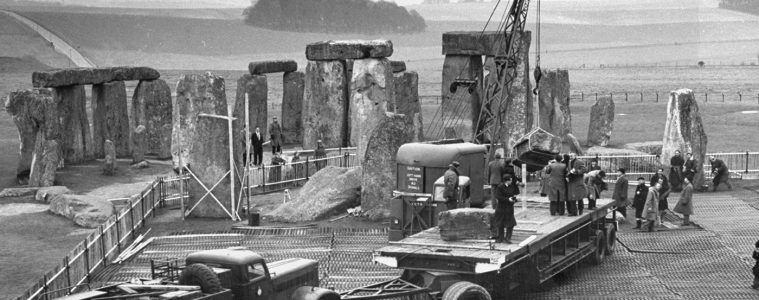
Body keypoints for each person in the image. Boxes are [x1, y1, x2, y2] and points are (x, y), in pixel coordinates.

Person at [493, 173, 519, 243]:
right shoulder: (500, 187)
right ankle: (500, 238)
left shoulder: (511, 186)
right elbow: (499, 197)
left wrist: (514, 199)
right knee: (500, 224)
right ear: (506, 181)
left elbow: (512, 194)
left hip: (509, 208)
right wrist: (508, 199)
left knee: (511, 223)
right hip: (502, 208)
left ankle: (508, 238)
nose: (511, 181)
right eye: (510, 180)